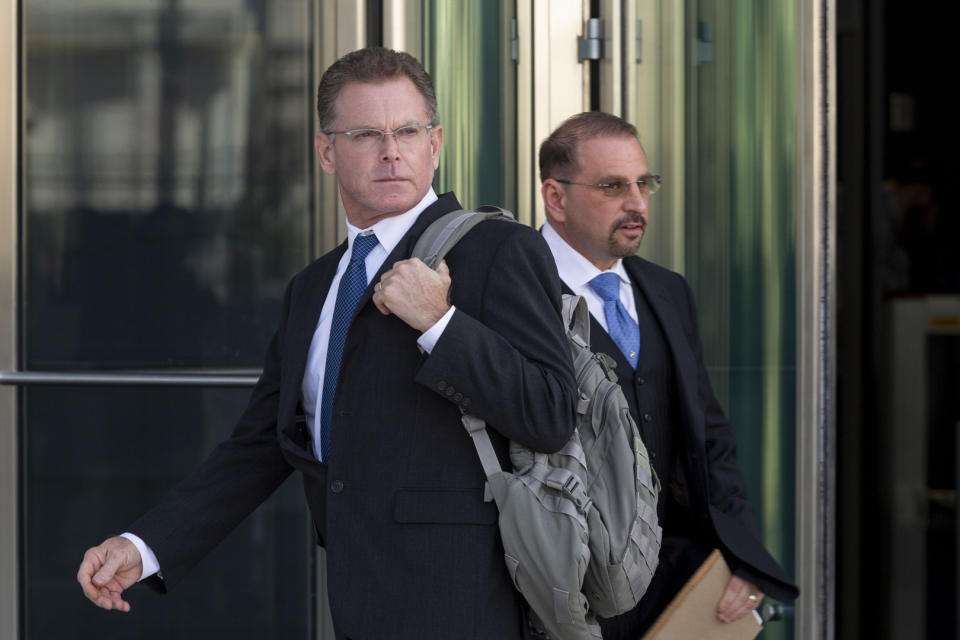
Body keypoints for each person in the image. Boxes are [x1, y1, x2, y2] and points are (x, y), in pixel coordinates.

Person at [77, 47, 577, 640]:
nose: (392, 151)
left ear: (435, 143)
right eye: (366, 133)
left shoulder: (499, 251)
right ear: (326, 151)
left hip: (465, 604)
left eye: (408, 131)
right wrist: (145, 546)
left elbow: (549, 413)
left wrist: (441, 323)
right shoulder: (313, 287)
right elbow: (260, 445)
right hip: (356, 596)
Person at [538, 111, 798, 638]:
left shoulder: (666, 289)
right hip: (565, 591)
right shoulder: (513, 291)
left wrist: (741, 554)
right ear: (556, 197)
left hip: (676, 584)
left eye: (643, 183)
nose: (636, 204)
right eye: (613, 186)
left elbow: (708, 437)